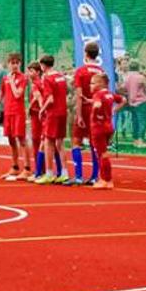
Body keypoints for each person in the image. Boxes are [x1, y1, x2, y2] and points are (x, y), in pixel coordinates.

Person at [67, 42, 104, 185]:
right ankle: (95, 176)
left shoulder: (81, 71)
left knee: (76, 141)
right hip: (97, 108)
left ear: (86, 53)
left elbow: (79, 94)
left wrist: (79, 114)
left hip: (84, 107)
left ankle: (78, 176)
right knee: (94, 142)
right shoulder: (101, 71)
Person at [84, 71, 122, 188]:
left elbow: (98, 105)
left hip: (98, 127)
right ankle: (105, 178)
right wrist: (114, 110)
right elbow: (123, 100)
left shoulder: (98, 95)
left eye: (93, 83)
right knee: (103, 152)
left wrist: (95, 114)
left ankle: (106, 180)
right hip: (108, 126)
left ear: (100, 84)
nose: (90, 86)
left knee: (102, 154)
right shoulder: (109, 94)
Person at [0, 52, 29, 180]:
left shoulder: (23, 78)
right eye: (12, 63)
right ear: (8, 64)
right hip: (8, 112)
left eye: (17, 63)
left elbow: (18, 94)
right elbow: (1, 94)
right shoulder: (5, 78)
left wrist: (12, 82)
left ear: (20, 64)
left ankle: (27, 168)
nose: (15, 65)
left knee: (21, 139)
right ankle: (15, 167)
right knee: (11, 140)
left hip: (18, 112)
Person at [39, 55, 68, 184]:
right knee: (60, 143)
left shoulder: (47, 78)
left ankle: (49, 173)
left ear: (43, 65)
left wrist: (42, 109)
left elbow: (50, 99)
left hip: (53, 113)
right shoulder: (61, 76)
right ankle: (64, 173)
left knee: (48, 141)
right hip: (63, 112)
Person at [121, 59, 146, 146]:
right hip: (142, 101)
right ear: (138, 67)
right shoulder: (141, 77)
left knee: (134, 121)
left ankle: (135, 139)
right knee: (142, 121)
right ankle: (141, 139)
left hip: (131, 101)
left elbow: (122, 88)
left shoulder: (127, 77)